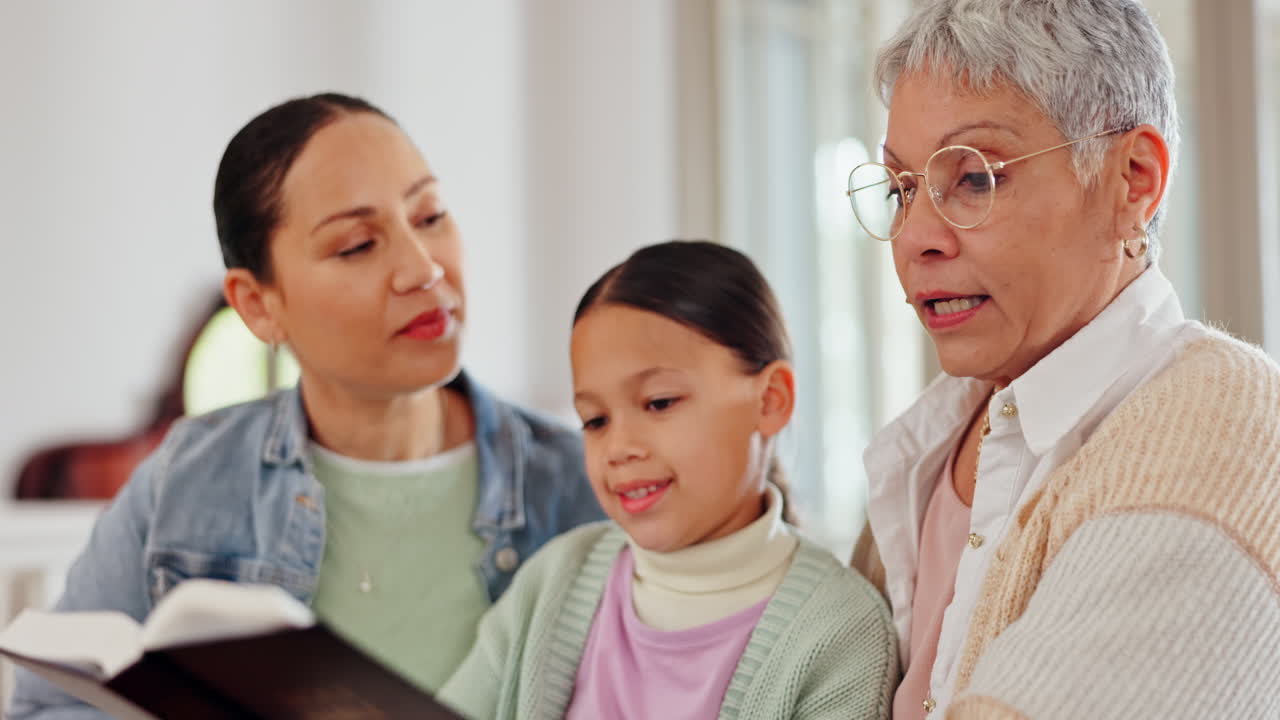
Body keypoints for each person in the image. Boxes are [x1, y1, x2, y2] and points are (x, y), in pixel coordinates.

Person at [9, 93, 604, 719]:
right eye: (356, 246)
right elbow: (45, 709)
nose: (423, 268)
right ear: (259, 305)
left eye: (429, 216)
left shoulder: (581, 485)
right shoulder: (187, 481)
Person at [843, 2, 1280, 718]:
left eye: (975, 178)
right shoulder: (929, 447)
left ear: (1133, 180)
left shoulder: (1231, 431)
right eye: (903, 189)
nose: (914, 235)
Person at [439, 240, 898, 720]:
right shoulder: (553, 581)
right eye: (595, 421)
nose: (619, 448)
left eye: (659, 403)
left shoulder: (840, 634)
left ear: (771, 401)